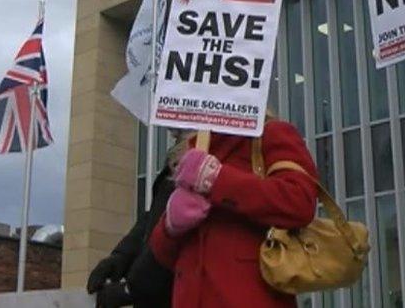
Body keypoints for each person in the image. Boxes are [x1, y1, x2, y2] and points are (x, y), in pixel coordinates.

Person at [147, 118, 318, 308]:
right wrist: (170, 226)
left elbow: (300, 201)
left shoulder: (269, 133)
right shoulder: (190, 152)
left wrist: (217, 179)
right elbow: (163, 256)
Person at [86, 133, 187, 308]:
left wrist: (131, 289)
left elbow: (173, 235)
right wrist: (121, 256)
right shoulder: (180, 156)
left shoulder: (203, 160)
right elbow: (154, 217)